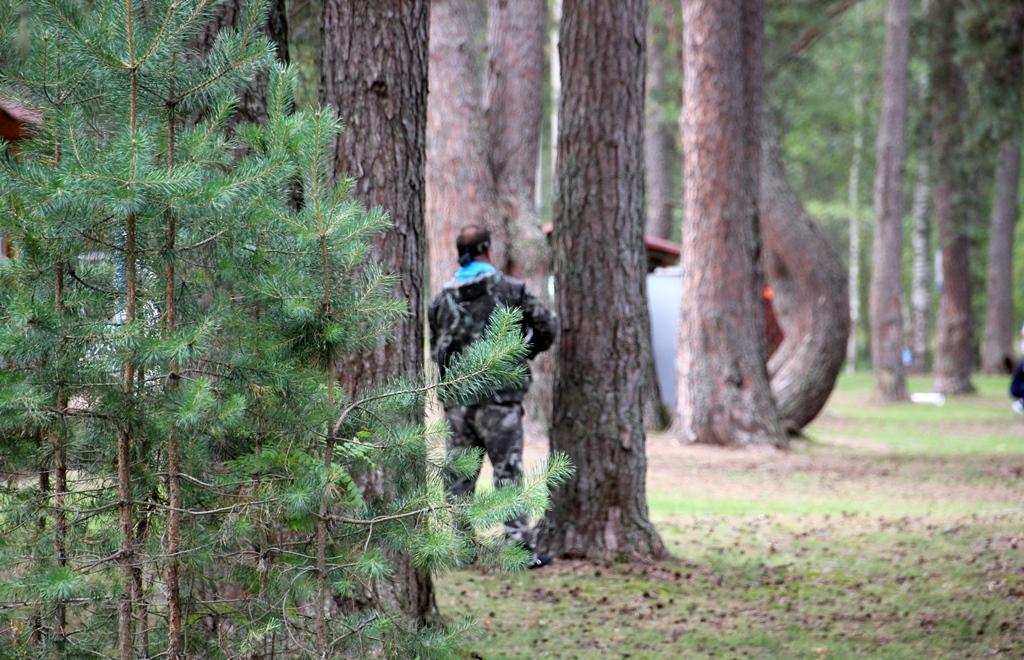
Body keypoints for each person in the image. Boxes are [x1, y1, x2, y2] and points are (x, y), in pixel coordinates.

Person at [428, 225, 557, 568]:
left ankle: (460, 549)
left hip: (457, 404)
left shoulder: (441, 299)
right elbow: (547, 326)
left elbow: (436, 347)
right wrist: (521, 353)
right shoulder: (511, 290)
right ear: (487, 249)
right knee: (508, 474)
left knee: (458, 477)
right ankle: (518, 551)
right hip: (500, 402)